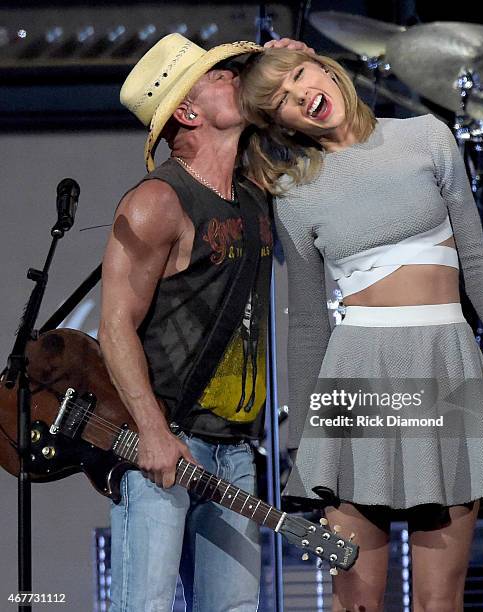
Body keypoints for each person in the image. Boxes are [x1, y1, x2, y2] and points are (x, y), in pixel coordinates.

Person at [238, 47, 483, 612]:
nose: (299, 95)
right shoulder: (295, 191)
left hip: (447, 372)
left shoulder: (427, 137)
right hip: (355, 384)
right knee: (356, 601)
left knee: (440, 603)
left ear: (325, 70)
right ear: (279, 123)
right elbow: (308, 321)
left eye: (298, 77)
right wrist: (310, 441)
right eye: (279, 101)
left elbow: (476, 264)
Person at [98, 34, 308, 612]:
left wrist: (292, 66)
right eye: (219, 76)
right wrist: (153, 433)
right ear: (187, 112)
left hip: (234, 451)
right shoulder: (158, 201)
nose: (237, 78)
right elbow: (114, 325)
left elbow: (314, 137)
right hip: (167, 442)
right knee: (146, 607)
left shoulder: (252, 192)